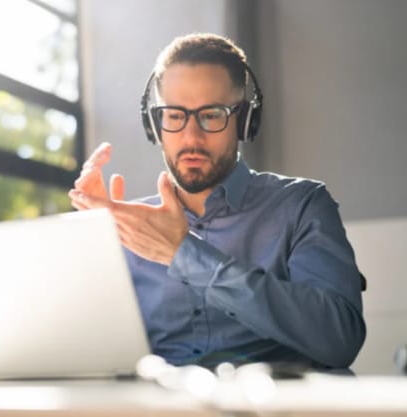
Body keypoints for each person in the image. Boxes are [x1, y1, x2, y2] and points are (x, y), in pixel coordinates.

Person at [69, 33, 365, 370]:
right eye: (175, 115)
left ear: (243, 120)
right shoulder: (128, 227)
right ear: (155, 125)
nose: (191, 137)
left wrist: (184, 254)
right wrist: (87, 245)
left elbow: (339, 339)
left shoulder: (302, 205)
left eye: (211, 115)